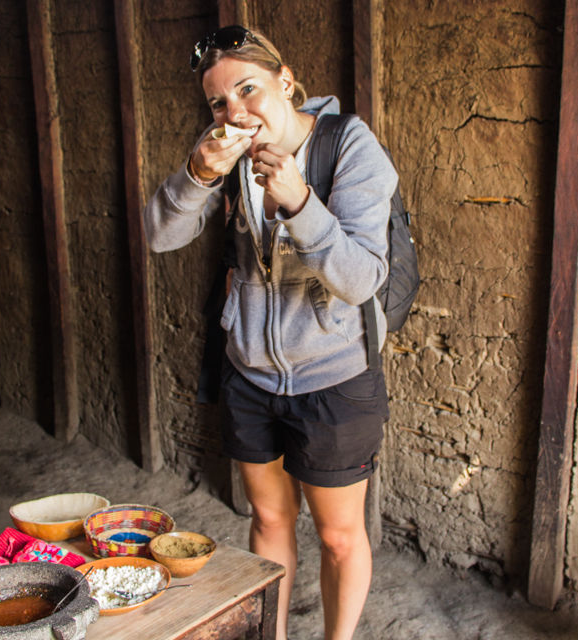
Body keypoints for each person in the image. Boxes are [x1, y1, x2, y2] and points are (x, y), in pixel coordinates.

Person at [143, 26, 397, 640]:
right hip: (251, 373)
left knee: (338, 534)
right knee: (269, 518)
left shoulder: (348, 146)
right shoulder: (224, 155)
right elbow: (160, 235)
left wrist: (300, 202)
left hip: (335, 376)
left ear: (286, 82)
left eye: (249, 89)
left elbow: (362, 278)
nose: (235, 112)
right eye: (218, 102)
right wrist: (196, 175)